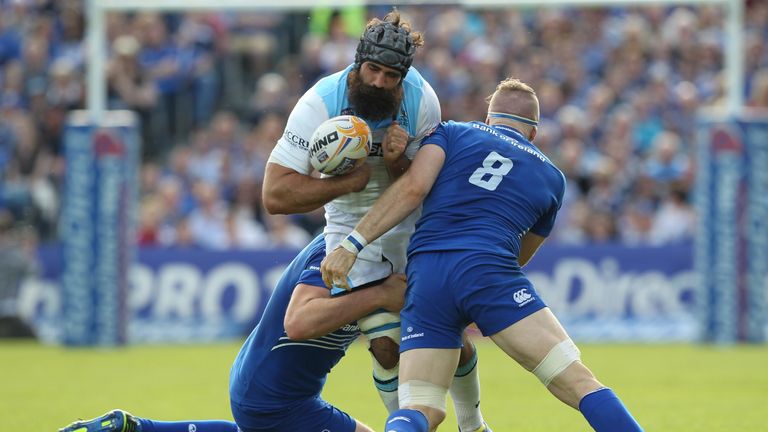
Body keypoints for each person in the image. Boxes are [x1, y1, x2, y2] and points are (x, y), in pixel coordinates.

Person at [321, 78, 644, 432]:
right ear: (533, 134)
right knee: (579, 383)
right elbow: (520, 256)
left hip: (428, 274)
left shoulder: (453, 132)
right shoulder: (552, 178)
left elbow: (412, 188)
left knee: (421, 407)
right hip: (489, 270)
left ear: (488, 120)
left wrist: (351, 245)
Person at [262, 9, 489, 431]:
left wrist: (399, 162)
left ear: (404, 76)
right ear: (357, 63)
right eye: (373, 70)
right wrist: (347, 183)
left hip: (410, 217)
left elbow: (423, 185)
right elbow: (275, 195)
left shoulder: (422, 100)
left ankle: (472, 423)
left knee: (449, 338)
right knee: (385, 345)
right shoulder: (319, 102)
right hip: (347, 221)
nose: (380, 82)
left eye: (391, 75)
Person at [59, 235, 407, 432]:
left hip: (261, 382)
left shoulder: (376, 256)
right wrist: (379, 296)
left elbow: (384, 347)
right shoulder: (336, 251)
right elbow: (298, 322)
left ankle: (132, 428)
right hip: (275, 396)